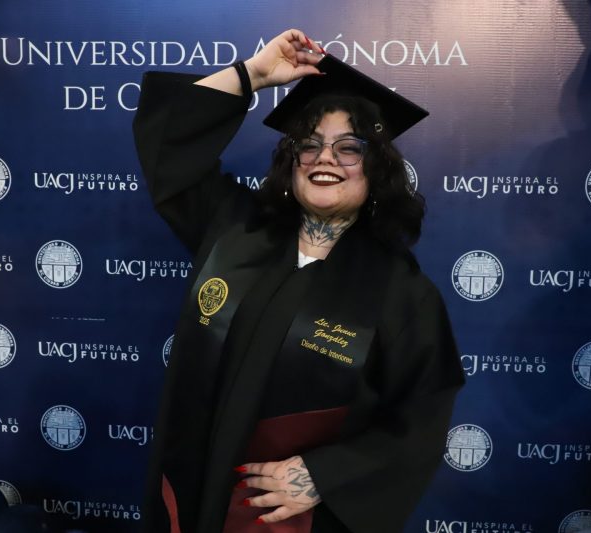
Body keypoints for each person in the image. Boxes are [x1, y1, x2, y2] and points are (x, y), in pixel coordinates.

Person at [133, 28, 464, 533]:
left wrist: (325, 475)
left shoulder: (401, 293)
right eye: (309, 145)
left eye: (349, 148)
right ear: (292, 164)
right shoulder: (234, 230)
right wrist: (253, 74)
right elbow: (168, 153)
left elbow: (420, 421)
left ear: (376, 170)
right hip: (190, 493)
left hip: (285, 520)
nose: (325, 158)